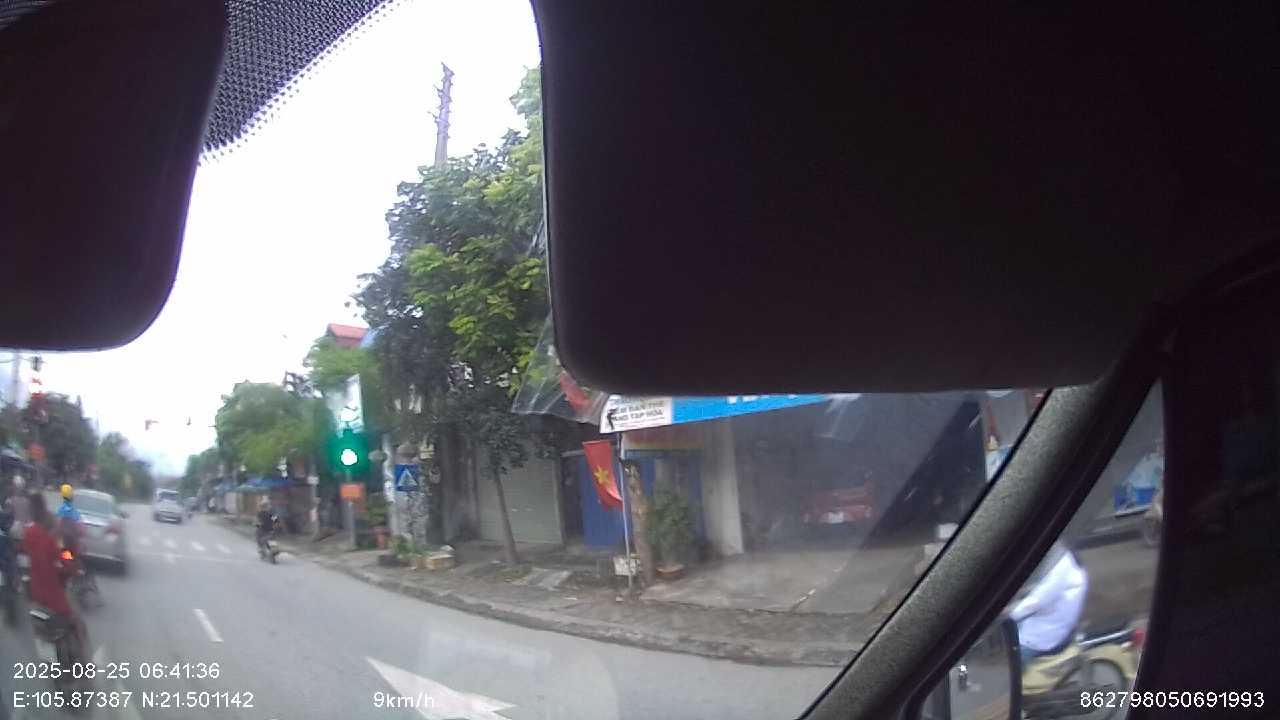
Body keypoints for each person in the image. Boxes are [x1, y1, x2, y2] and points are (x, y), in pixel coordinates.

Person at [23, 493, 87, 654]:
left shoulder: (29, 533)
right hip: (54, 593)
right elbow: (64, 555)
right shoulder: (53, 537)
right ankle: (83, 660)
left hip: (35, 592)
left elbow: (28, 553)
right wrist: (73, 567)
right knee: (75, 620)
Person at [1009, 540, 1087, 664]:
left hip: (1042, 635)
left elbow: (1036, 602)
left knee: (1006, 661)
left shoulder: (1061, 566)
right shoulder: (1061, 557)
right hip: (1047, 625)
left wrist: (1007, 615)